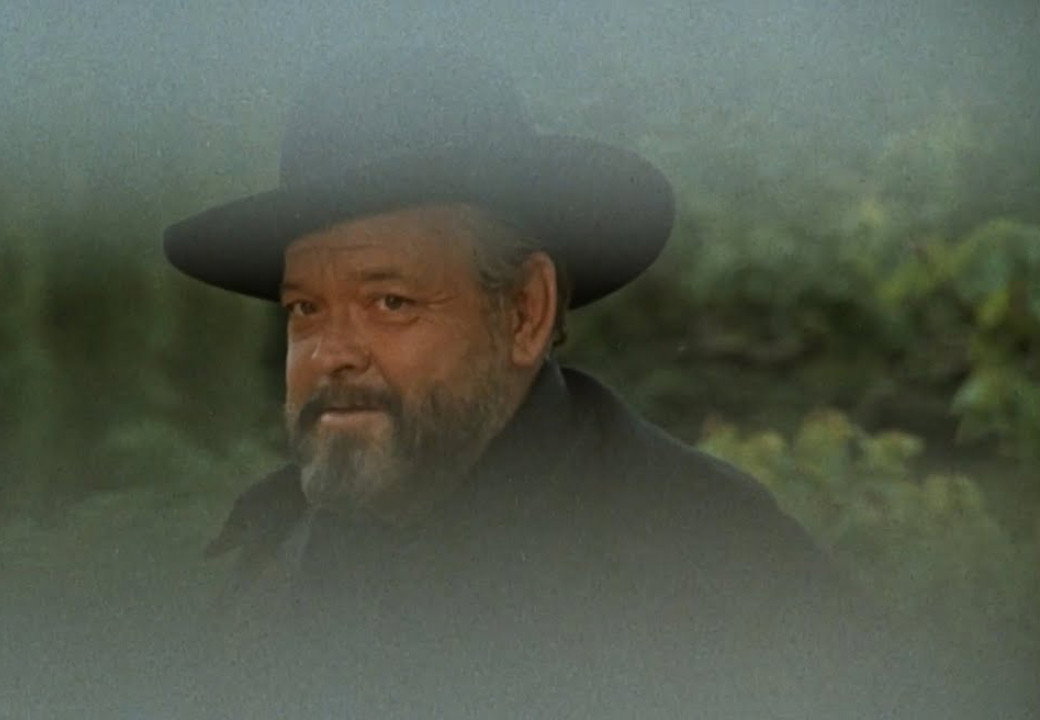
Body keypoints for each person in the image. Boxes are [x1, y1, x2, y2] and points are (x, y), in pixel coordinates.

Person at [162, 47, 986, 719]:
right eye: (305, 309)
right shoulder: (261, 578)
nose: (331, 353)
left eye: (391, 301)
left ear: (525, 311)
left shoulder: (714, 571)